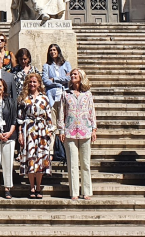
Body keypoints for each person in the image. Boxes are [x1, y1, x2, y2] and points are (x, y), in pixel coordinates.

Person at [58, 68, 97, 200]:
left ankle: (86, 191)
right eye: (72, 74)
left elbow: (92, 111)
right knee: (72, 163)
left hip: (85, 130)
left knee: (85, 163)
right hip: (70, 131)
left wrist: (94, 129)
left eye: (75, 74)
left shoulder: (88, 94)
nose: (73, 76)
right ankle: (74, 191)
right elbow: (61, 112)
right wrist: (61, 129)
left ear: (81, 76)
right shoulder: (66, 94)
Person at [17, 73, 53, 199]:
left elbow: (49, 118)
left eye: (34, 82)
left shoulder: (45, 98)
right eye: (30, 82)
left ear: (39, 83)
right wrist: (20, 133)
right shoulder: (23, 98)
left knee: (40, 159)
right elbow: (20, 118)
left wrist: (49, 134)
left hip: (42, 130)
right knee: (31, 157)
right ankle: (31, 186)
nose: (32, 84)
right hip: (29, 130)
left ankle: (39, 186)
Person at [42, 44, 72, 138]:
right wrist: (61, 81)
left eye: (54, 50)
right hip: (52, 96)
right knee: (53, 121)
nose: (52, 52)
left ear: (58, 51)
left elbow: (69, 78)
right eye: (50, 50)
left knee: (63, 119)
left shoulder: (66, 64)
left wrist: (54, 79)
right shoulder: (46, 66)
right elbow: (45, 80)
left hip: (63, 94)